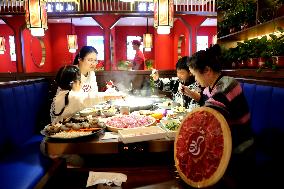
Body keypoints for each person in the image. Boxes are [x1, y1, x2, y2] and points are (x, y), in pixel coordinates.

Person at [181, 44, 255, 188]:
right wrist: (190, 93)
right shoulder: (211, 86)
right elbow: (205, 100)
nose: (195, 80)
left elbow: (209, 118)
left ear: (207, 70)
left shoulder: (226, 85)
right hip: (226, 141)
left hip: (239, 148)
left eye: (196, 75)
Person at [50, 65, 120, 124]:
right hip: (62, 134)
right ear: (73, 83)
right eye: (80, 81)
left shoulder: (61, 94)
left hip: (59, 127)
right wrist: (115, 95)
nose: (81, 83)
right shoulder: (71, 96)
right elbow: (88, 98)